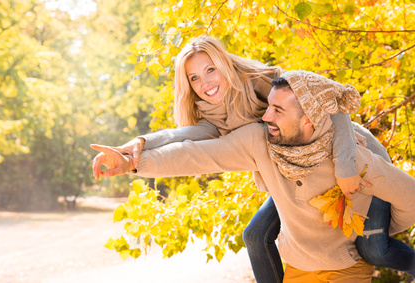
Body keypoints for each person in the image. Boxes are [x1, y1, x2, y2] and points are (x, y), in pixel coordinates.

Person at [92, 36, 371, 282]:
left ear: (224, 64)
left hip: (339, 155)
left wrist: (345, 164)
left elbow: (335, 104)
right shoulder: (213, 118)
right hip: (289, 179)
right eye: (194, 78)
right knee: (256, 236)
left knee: (377, 248)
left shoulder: (265, 81)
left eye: (210, 69)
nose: (205, 83)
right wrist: (136, 149)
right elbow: (184, 142)